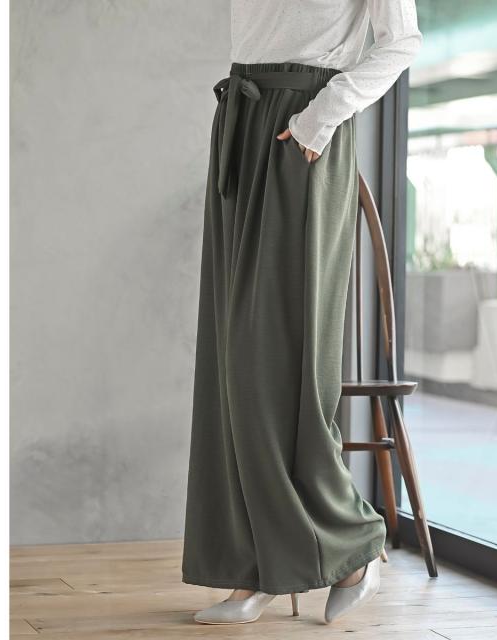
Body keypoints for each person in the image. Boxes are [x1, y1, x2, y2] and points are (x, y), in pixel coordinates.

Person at [181, 0, 422, 625]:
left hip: (303, 125)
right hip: (242, 116)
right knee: (232, 361)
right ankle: (255, 567)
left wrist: (321, 118)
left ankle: (349, 549)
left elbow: (402, 41)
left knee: (276, 359)